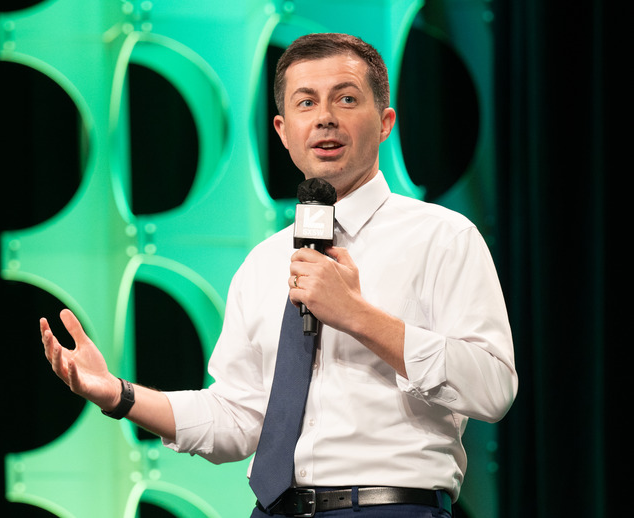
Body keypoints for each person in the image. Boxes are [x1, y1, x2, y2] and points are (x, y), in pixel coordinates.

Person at [41, 33, 517, 517]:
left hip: (388, 506)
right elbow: (236, 419)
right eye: (305, 102)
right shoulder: (263, 263)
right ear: (284, 130)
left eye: (346, 98)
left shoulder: (442, 237)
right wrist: (116, 394)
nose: (325, 116)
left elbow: (493, 388)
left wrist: (357, 316)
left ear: (385, 122)